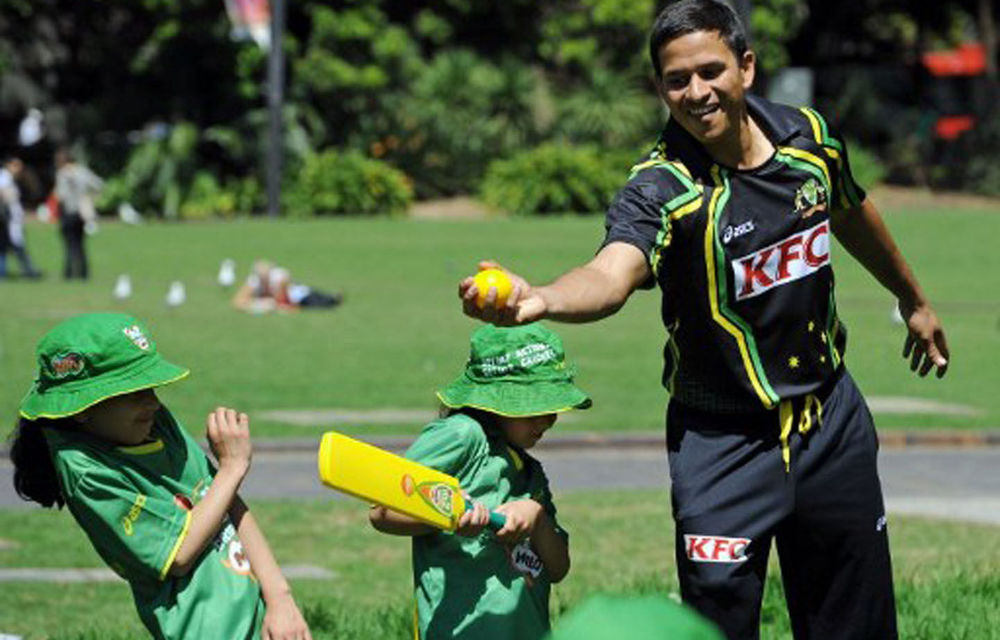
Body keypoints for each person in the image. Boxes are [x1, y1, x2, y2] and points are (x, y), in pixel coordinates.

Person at [459, 2, 950, 639]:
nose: (696, 92)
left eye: (710, 70)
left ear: (745, 66)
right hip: (719, 444)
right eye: (675, 80)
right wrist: (543, 298)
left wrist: (913, 299)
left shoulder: (808, 138)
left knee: (854, 624)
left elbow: (851, 210)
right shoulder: (661, 188)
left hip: (832, 425)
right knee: (712, 628)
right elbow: (611, 274)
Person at [6, 313, 312, 640]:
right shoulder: (86, 472)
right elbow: (178, 554)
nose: (152, 402)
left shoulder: (152, 421)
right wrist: (232, 467)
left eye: (151, 387)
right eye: (134, 392)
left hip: (259, 613)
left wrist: (280, 599)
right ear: (83, 408)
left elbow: (224, 499)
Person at [369, 322, 590, 640]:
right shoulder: (461, 435)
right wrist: (449, 517)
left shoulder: (531, 473)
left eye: (552, 407)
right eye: (533, 409)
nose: (546, 420)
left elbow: (558, 569)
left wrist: (537, 517)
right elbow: (382, 512)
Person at [54, 148, 103, 279]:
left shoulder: (62, 174)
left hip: (68, 212)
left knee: (69, 244)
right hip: (82, 213)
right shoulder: (82, 172)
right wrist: (91, 198)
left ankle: (69, 273)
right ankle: (84, 273)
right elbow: (98, 184)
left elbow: (61, 195)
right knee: (81, 244)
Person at [232, 259, 343, 313]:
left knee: (317, 298)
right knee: (313, 305)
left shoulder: (278, 275)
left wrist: (268, 302)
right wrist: (255, 306)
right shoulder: (254, 281)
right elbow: (237, 300)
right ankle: (332, 300)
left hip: (297, 294)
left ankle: (333, 298)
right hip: (290, 301)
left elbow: (282, 293)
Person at [0, 156, 42, 279]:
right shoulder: (4, 178)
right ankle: (28, 271)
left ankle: (27, 270)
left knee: (11, 246)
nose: (19, 169)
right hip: (7, 220)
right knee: (12, 246)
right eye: (16, 165)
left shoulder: (9, 179)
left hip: (12, 219)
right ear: (8, 165)